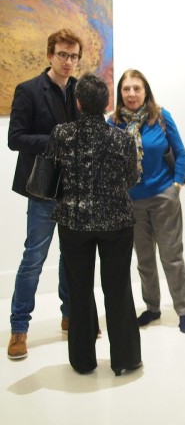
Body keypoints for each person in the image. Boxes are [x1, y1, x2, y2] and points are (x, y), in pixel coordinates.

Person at [49, 73, 142, 375]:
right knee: (118, 289)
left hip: (73, 222)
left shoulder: (62, 134)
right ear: (107, 103)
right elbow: (132, 178)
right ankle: (125, 359)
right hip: (116, 222)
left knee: (78, 289)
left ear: (78, 102)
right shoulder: (122, 138)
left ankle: (82, 360)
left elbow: (53, 174)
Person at [7, 29, 82, 359]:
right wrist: (56, 138)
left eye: (74, 56)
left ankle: (70, 316)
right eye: (63, 54)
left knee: (71, 256)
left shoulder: (79, 90)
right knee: (34, 259)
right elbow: (15, 138)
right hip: (42, 187)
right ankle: (19, 328)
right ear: (50, 54)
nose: (68, 61)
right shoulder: (28, 90)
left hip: (73, 187)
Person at [108, 69, 185, 333]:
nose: (131, 93)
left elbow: (181, 154)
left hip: (163, 198)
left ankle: (183, 310)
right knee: (144, 260)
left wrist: (176, 186)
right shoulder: (114, 122)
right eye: (126, 89)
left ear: (145, 91)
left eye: (137, 88)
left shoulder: (160, 117)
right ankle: (152, 307)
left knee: (172, 257)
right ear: (120, 93)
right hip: (132, 202)